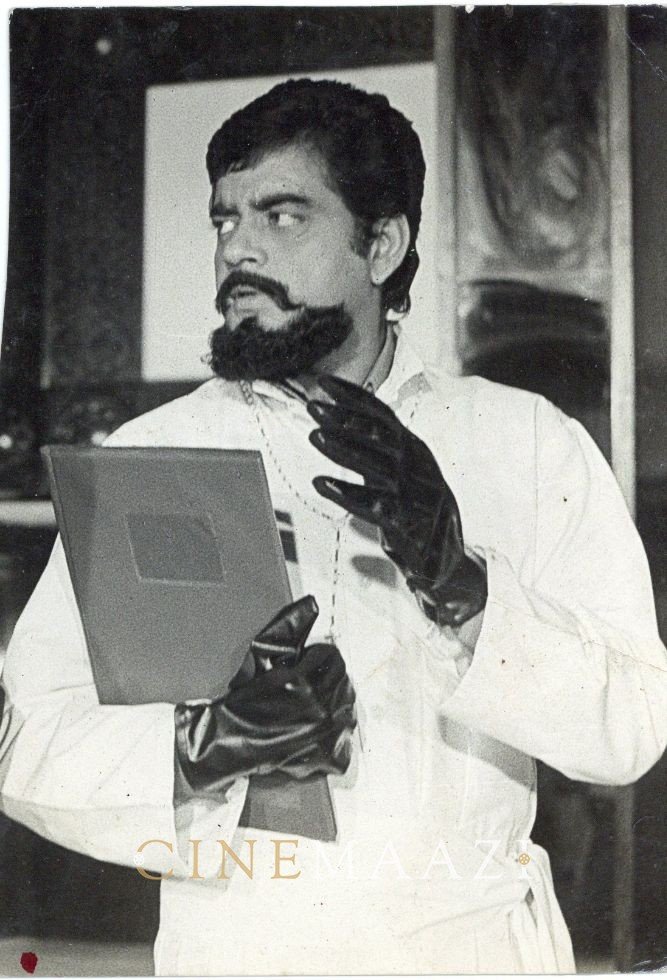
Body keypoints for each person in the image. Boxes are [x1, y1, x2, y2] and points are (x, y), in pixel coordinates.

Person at [1, 78, 666, 975]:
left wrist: (467, 588)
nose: (236, 248)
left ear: (381, 244)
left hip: (468, 953)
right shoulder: (155, 454)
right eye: (224, 219)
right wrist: (198, 746)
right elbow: (26, 746)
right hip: (242, 954)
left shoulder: (525, 442)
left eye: (282, 216)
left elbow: (632, 728)